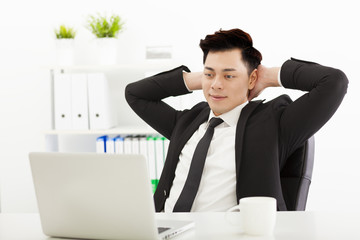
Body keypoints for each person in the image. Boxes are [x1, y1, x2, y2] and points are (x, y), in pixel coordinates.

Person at [125, 28, 348, 212]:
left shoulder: (273, 123)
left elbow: (334, 83)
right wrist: (199, 78)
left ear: (252, 78)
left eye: (229, 75)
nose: (216, 85)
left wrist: (268, 76)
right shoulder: (186, 121)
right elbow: (134, 94)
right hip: (166, 230)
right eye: (210, 74)